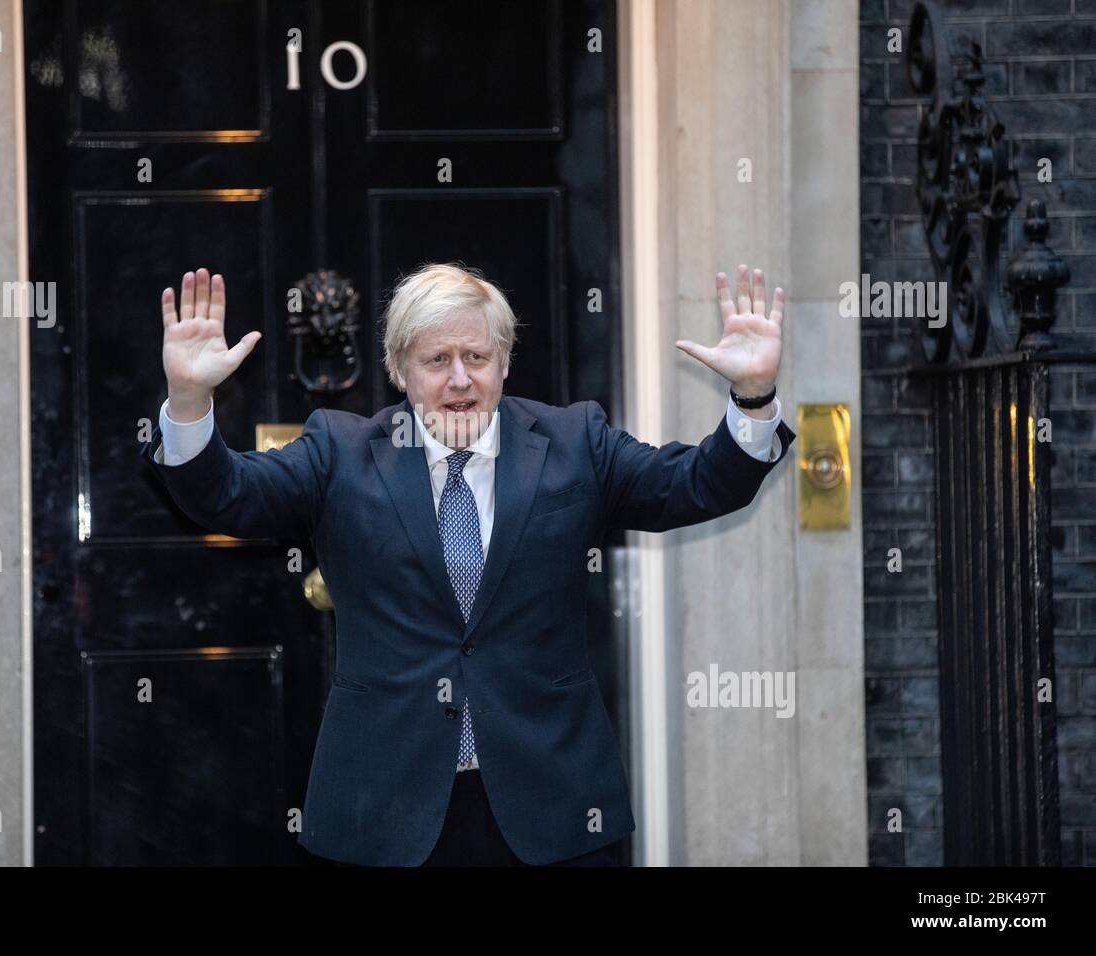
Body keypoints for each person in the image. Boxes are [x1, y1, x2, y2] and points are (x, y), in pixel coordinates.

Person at [140, 262, 795, 866]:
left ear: (504, 362)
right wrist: (190, 401)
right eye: (438, 360)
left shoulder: (575, 443)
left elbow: (697, 485)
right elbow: (224, 496)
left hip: (555, 806)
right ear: (400, 368)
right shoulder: (339, 452)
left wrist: (754, 397)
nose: (460, 379)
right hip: (383, 810)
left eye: (477, 357)